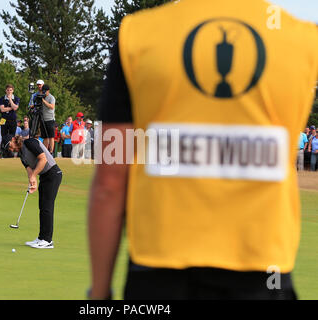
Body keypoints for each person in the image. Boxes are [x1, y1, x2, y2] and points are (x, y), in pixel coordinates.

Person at [87, 0, 318, 300]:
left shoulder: (139, 33)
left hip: (158, 270)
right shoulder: (302, 39)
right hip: (263, 270)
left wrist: (99, 294)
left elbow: (110, 180)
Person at [5, 135, 63, 249]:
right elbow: (29, 171)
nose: (10, 149)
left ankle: (47, 241)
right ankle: (41, 238)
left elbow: (43, 159)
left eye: (9, 146)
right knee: (42, 206)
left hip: (53, 174)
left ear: (13, 140)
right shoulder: (21, 155)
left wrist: (34, 176)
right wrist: (33, 182)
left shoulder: (30, 142)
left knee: (47, 207)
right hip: (44, 177)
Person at [39, 84, 56, 154]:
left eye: (45, 91)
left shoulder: (51, 97)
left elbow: (52, 107)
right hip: (43, 119)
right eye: (43, 91)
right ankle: (45, 151)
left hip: (50, 119)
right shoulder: (42, 96)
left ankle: (51, 151)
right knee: (45, 137)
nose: (44, 92)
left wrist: (44, 101)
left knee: (51, 137)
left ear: (48, 91)